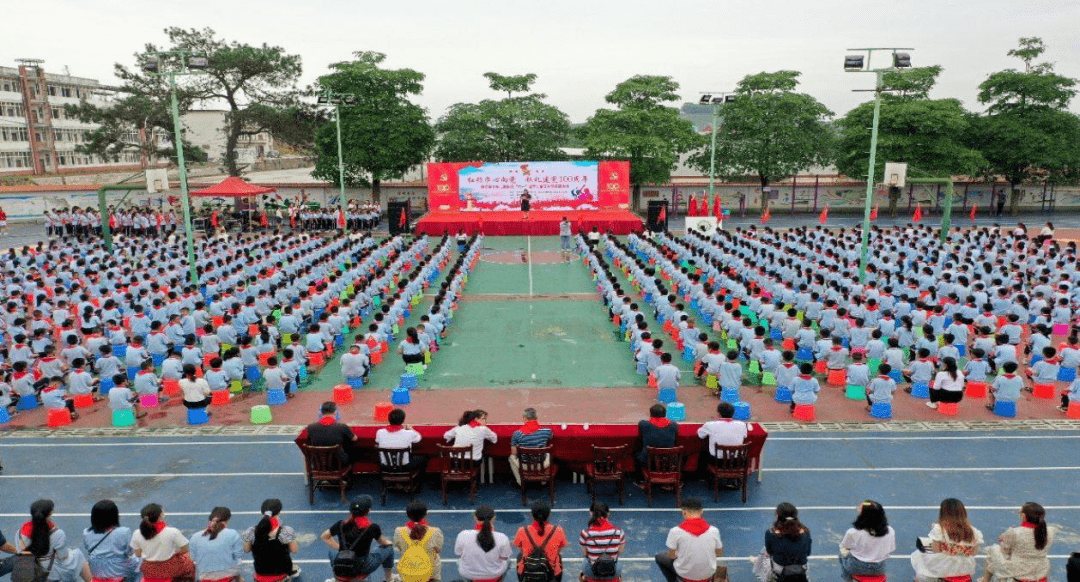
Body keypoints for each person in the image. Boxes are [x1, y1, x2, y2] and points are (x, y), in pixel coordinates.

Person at [319, 495, 395, 582]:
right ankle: (389, 579)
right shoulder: (372, 527)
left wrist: (340, 547)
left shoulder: (340, 524)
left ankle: (337, 579)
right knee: (389, 549)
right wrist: (390, 543)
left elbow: (324, 536)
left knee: (332, 553)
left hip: (342, 565)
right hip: (363, 567)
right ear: (368, 511)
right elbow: (384, 543)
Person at [17, 499, 91, 582]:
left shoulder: (20, 533)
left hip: (30, 569)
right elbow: (63, 556)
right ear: (50, 514)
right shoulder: (57, 534)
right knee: (78, 554)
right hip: (50, 571)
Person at [909, 498, 983, 582]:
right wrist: (959, 550)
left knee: (920, 556)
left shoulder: (939, 530)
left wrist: (948, 549)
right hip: (964, 567)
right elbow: (973, 553)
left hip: (945, 568)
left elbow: (936, 550)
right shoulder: (974, 532)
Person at [655, 498, 725, 582]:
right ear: (702, 511)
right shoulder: (714, 531)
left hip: (685, 574)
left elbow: (671, 556)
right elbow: (719, 553)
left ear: (684, 512)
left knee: (659, 557)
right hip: (708, 574)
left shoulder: (675, 531)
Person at [981, 502, 1053, 582]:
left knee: (993, 550)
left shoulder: (1015, 532)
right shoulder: (1049, 531)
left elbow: (1005, 551)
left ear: (1023, 516)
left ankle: (985, 580)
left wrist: (1004, 540)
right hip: (1039, 572)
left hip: (1018, 573)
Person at [130, 503, 194, 582]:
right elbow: (185, 548)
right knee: (188, 559)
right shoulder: (172, 532)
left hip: (149, 570)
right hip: (170, 569)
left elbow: (138, 554)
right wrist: (174, 552)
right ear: (160, 516)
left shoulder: (137, 533)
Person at [242, 499, 300, 582]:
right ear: (279, 512)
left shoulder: (251, 531)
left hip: (260, 575)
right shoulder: (286, 531)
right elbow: (294, 550)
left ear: (262, 512)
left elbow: (246, 550)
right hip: (280, 575)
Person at [83, 500, 140, 582]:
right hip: (117, 574)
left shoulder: (87, 533)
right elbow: (130, 552)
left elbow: (88, 548)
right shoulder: (124, 532)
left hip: (97, 573)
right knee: (138, 560)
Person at [838, 500, 895, 582]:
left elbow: (844, 547)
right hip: (879, 569)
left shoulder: (853, 532)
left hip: (856, 567)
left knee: (841, 555)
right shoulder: (890, 531)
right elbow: (890, 551)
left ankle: (847, 580)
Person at [512, 502, 567, 582]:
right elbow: (559, 549)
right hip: (551, 573)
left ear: (532, 515)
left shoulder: (522, 531)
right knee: (558, 558)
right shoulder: (558, 530)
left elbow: (520, 549)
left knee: (520, 557)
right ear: (549, 515)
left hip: (528, 572)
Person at [755, 503, 811, 582]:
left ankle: (765, 578)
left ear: (777, 516)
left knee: (764, 552)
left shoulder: (771, 533)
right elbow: (808, 553)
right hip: (801, 570)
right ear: (795, 516)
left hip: (780, 570)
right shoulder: (805, 532)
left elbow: (770, 552)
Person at [454, 506, 511, 582]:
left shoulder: (463, 534)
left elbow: (458, 553)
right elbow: (505, 557)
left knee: (459, 561)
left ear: (475, 518)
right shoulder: (502, 537)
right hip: (494, 574)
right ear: (493, 519)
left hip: (468, 573)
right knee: (509, 560)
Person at [393, 501, 443, 582]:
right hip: (430, 575)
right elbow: (438, 550)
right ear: (425, 513)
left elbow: (400, 549)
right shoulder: (435, 531)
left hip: (408, 574)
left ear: (408, 514)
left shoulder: (399, 531)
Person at [188, 507, 242, 582]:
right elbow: (237, 558)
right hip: (227, 578)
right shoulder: (233, 534)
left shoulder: (196, 536)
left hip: (205, 578)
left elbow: (192, 559)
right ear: (227, 520)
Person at [578, 502, 625, 580]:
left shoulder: (585, 533)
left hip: (593, 571)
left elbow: (585, 553)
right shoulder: (619, 532)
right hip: (612, 571)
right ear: (608, 514)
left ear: (591, 513)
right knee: (617, 562)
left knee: (585, 562)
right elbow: (619, 551)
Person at [509, 408, 553, 487]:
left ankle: (520, 482)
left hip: (525, 465)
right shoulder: (546, 431)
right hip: (542, 464)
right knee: (549, 454)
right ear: (536, 418)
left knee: (511, 457)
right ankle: (543, 480)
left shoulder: (517, 434)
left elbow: (513, 452)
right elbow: (550, 436)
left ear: (524, 418)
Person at [375, 408, 426, 472]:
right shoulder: (410, 433)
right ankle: (416, 481)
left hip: (386, 466)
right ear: (403, 421)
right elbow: (419, 438)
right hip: (405, 466)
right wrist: (411, 429)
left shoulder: (380, 432)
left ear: (389, 419)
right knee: (424, 458)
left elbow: (377, 441)